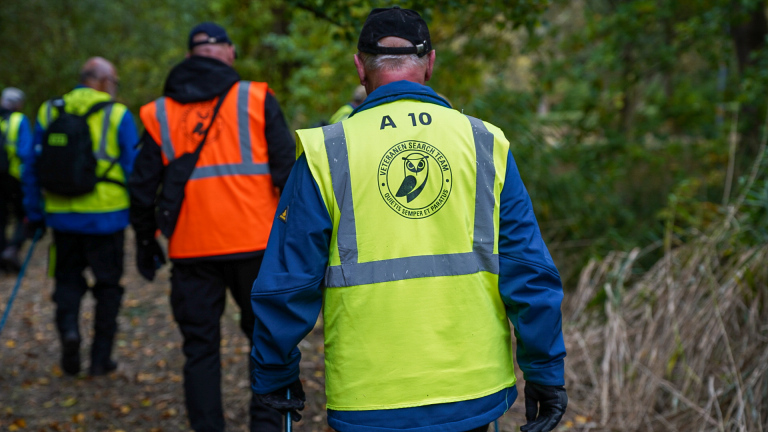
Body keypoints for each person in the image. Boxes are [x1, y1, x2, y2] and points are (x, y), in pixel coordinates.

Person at [249, 6, 568, 432]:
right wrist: (545, 373)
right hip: (470, 392)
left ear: (360, 66)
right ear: (430, 62)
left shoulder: (329, 151)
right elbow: (528, 272)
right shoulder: (483, 143)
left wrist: (275, 373)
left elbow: (288, 282)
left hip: (369, 396)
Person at [129, 22, 294, 432]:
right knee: (269, 343)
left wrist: (145, 243)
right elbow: (287, 174)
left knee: (200, 350)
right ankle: (268, 427)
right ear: (226, 53)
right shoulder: (256, 98)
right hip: (257, 247)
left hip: (190, 249)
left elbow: (141, 188)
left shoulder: (159, 112)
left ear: (191, 55)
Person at [21, 57, 139, 376]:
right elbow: (133, 169)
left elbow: (31, 167)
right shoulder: (118, 115)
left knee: (67, 282)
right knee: (108, 288)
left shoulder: (49, 111)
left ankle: (70, 335)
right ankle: (101, 359)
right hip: (107, 219)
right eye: (114, 81)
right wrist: (142, 216)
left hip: (62, 218)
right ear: (101, 81)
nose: (114, 88)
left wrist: (35, 212)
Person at [0, 87, 32, 271]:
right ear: (18, 104)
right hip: (14, 177)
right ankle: (12, 250)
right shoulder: (19, 120)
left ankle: (3, 256)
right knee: (23, 215)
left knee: (1, 219)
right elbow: (25, 152)